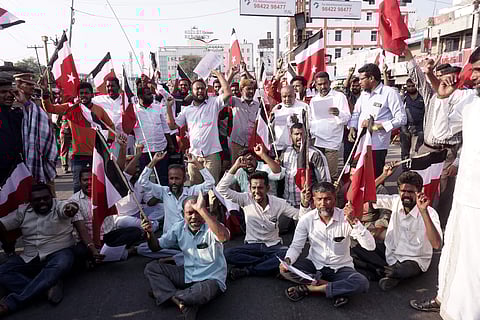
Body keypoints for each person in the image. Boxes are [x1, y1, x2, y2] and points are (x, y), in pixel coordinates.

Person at [409, 47, 480, 320]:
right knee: (453, 250)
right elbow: (442, 94)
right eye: (472, 70)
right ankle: (444, 299)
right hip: (465, 194)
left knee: (473, 264)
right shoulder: (471, 101)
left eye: (478, 71)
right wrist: (433, 77)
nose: (472, 76)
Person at [279, 182, 375, 308]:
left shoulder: (346, 218)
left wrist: (354, 221)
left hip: (341, 268)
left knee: (362, 283)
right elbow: (296, 246)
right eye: (319, 199)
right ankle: (335, 288)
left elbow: (370, 246)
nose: (323, 204)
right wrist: (287, 260)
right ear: (314, 200)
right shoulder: (306, 219)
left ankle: (311, 288)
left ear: (335, 199)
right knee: (284, 271)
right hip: (314, 264)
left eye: (328, 199)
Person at [143, 193, 230, 320]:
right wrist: (149, 232)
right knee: (152, 268)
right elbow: (155, 247)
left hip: (211, 280)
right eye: (190, 213)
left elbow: (224, 238)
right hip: (187, 276)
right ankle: (181, 301)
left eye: (198, 212)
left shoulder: (212, 226)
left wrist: (202, 210)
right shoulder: (178, 228)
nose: (194, 217)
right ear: (183, 214)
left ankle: (166, 294)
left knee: (199, 293)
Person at [351, 171, 442, 291]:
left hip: (413, 260)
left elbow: (436, 244)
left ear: (419, 192)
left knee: (401, 270)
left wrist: (423, 212)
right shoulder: (395, 201)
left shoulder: (430, 212)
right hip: (390, 253)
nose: (406, 195)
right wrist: (384, 175)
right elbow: (365, 196)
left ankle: (381, 272)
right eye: (402, 191)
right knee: (353, 248)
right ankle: (385, 274)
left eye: (410, 192)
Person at [404, 48, 463, 227]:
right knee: (417, 186)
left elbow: (467, 135)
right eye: (443, 78)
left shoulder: (464, 100)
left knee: (444, 193)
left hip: (449, 154)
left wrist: (457, 161)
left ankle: (439, 226)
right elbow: (417, 76)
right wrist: (407, 52)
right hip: (426, 150)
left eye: (451, 78)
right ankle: (414, 222)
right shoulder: (431, 95)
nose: (447, 82)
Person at [0, 184, 79, 316]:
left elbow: (69, 208)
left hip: (58, 253)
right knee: (2, 272)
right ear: (30, 202)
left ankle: (12, 303)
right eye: (37, 200)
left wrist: (71, 209)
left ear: (51, 198)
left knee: (62, 262)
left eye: (45, 198)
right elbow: (3, 224)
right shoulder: (23, 211)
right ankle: (46, 289)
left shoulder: (59, 206)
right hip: (30, 257)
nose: (42, 201)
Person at [216, 162, 303, 281]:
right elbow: (221, 189)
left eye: (260, 188)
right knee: (227, 254)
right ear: (250, 188)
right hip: (252, 246)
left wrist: (305, 203)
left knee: (287, 253)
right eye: (253, 188)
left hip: (273, 246)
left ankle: (248, 270)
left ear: (268, 188)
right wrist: (235, 167)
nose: (256, 191)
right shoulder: (245, 199)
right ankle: (268, 265)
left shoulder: (279, 203)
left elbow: (300, 215)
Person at [42, 82, 115, 193]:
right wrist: (45, 96)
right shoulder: (71, 108)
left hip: (97, 155)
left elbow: (111, 125)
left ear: (92, 95)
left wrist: (109, 141)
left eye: (86, 93)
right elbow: (50, 108)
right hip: (78, 157)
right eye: (81, 93)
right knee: (78, 188)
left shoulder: (98, 110)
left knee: (98, 189)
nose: (84, 95)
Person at [166, 70, 231, 185]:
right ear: (192, 91)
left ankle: (212, 204)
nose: (200, 91)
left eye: (202, 88)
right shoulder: (186, 110)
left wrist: (219, 75)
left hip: (212, 155)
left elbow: (227, 93)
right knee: (196, 189)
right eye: (197, 89)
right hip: (194, 156)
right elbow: (172, 126)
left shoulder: (214, 103)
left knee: (212, 190)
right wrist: (168, 107)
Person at [348, 63, 407, 178]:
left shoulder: (389, 93)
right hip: (360, 143)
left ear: (371, 78)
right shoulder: (364, 94)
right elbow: (356, 113)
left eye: (362, 79)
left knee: (374, 181)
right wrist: (352, 127)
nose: (359, 82)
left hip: (376, 146)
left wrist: (376, 126)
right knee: (357, 179)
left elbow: (401, 118)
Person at [138, 151, 215, 235]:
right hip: (169, 237)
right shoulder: (164, 192)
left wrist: (196, 163)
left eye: (177, 178)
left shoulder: (191, 191)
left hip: (187, 237)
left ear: (184, 179)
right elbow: (142, 182)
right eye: (171, 178)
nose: (174, 182)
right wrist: (154, 161)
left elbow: (210, 182)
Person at [13, 73, 58, 186]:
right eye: (28, 84)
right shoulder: (12, 103)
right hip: (19, 154)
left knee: (46, 194)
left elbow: (44, 120)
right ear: (19, 85)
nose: (32, 87)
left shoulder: (36, 103)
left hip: (39, 156)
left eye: (33, 84)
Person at [309, 72, 351, 180]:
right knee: (318, 174)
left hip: (331, 143)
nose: (323, 87)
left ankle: (334, 196)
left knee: (331, 176)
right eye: (320, 84)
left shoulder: (339, 97)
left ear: (330, 83)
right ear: (316, 85)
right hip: (317, 141)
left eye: (325, 83)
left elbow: (347, 118)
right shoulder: (314, 100)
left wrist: (338, 113)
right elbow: (311, 120)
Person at [280, 123, 330, 207]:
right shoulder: (285, 152)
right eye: (296, 134)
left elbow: (324, 182)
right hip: (287, 203)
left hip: (308, 205)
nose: (299, 137)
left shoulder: (315, 154)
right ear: (291, 135)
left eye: (302, 134)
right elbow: (280, 174)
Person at [134, 84, 175, 185]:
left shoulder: (158, 107)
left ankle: (163, 198)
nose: (151, 96)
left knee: (163, 177)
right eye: (148, 94)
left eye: (151, 94)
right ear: (140, 97)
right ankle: (146, 199)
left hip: (160, 148)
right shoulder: (134, 110)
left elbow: (165, 127)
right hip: (144, 151)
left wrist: (170, 144)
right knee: (144, 178)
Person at [229, 78, 260, 163]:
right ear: (241, 90)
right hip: (237, 143)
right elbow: (222, 94)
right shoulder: (235, 101)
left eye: (253, 89)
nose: (251, 91)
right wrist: (232, 75)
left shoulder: (258, 106)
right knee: (236, 169)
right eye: (248, 89)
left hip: (252, 145)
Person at [270, 85, 308, 152]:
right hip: (280, 148)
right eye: (284, 97)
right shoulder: (277, 108)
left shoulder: (303, 107)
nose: (287, 99)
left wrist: (297, 122)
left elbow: (309, 126)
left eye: (290, 96)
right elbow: (271, 129)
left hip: (298, 147)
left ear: (295, 95)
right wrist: (270, 121)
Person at [0, 72, 23, 183]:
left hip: (15, 175)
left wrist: (25, 102)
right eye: (3, 92)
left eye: (11, 92)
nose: (9, 95)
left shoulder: (16, 115)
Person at [400, 79, 425, 168]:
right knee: (405, 152)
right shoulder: (403, 97)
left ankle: (416, 170)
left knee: (418, 151)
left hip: (420, 128)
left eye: (412, 86)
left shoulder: (423, 96)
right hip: (406, 127)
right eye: (409, 86)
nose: (411, 88)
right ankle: (405, 170)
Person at [343, 67, 361, 162]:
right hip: (349, 128)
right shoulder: (350, 96)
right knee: (348, 151)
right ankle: (347, 172)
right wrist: (350, 74)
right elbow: (345, 87)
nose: (355, 87)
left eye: (357, 86)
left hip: (362, 128)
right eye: (353, 86)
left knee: (360, 151)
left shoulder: (365, 96)